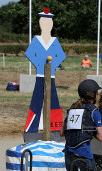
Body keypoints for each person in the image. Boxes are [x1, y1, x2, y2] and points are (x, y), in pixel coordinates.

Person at [47, 79, 102, 171]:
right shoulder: (94, 111)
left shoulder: (73, 108)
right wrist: (92, 132)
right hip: (83, 155)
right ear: (92, 95)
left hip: (68, 153)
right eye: (96, 93)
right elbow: (101, 137)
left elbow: (61, 133)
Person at [24, 7, 65, 141]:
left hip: (51, 77)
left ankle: (55, 131)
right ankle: (31, 130)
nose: (47, 25)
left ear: (52, 24)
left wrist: (51, 66)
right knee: (36, 101)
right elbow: (30, 54)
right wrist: (42, 65)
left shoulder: (54, 41)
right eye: (44, 22)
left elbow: (60, 56)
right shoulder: (36, 40)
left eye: (49, 22)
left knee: (54, 101)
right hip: (40, 76)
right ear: (41, 23)